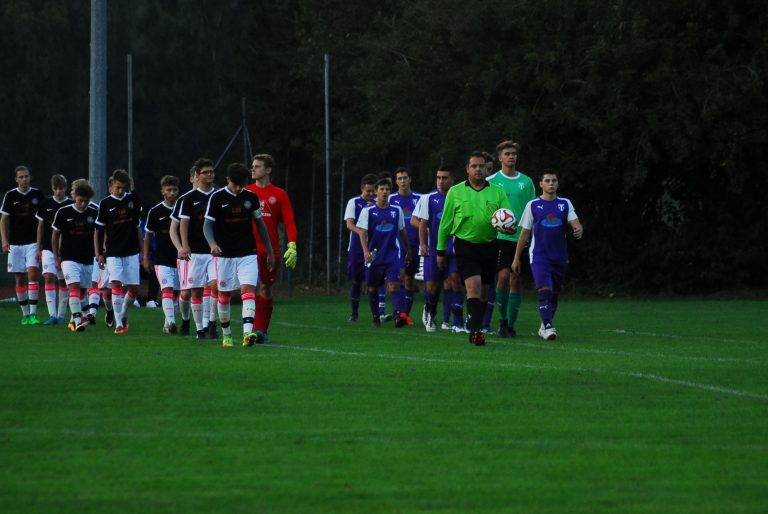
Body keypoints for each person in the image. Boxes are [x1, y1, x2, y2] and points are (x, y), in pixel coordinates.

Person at [437, 151, 514, 346]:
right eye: (474, 166)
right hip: (465, 245)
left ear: (486, 169)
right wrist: (440, 250)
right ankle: (477, 331)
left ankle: (474, 323)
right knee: (473, 287)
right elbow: (445, 223)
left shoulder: (497, 192)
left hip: (490, 245)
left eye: (481, 166)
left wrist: (510, 226)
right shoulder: (455, 191)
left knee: (484, 292)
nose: (478, 169)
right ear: (467, 169)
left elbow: (508, 217)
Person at [203, 162, 274, 347]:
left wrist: (269, 251)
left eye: (241, 184)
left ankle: (247, 334)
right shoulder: (217, 198)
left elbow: (260, 224)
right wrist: (212, 244)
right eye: (235, 184)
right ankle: (226, 335)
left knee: (248, 290)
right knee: (224, 295)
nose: (238, 188)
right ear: (227, 179)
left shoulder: (251, 197)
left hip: (247, 253)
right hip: (224, 255)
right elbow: (207, 225)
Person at [512, 169, 583, 340]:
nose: (551, 183)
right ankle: (549, 326)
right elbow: (525, 233)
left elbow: (575, 222)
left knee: (554, 294)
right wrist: (516, 258)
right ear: (541, 184)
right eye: (547, 181)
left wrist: (578, 228)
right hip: (539, 256)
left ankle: (544, 325)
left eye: (554, 180)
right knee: (544, 289)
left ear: (557, 184)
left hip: (560, 256)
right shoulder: (532, 205)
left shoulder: (565, 203)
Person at [245, 154, 298, 344]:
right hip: (247, 250)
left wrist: (292, 244)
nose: (253, 169)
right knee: (249, 288)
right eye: (252, 166)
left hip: (270, 251)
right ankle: (246, 328)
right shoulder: (246, 192)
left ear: (268, 170)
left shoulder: (279, 194)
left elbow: (289, 221)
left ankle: (261, 330)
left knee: (265, 288)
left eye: (257, 166)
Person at [488, 140, 536, 337]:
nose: (511, 157)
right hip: (499, 236)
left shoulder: (527, 182)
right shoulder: (491, 181)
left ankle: (511, 325)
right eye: (507, 154)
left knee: (515, 279)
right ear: (500, 158)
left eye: (514, 154)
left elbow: (532, 210)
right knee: (503, 276)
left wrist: (531, 235)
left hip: (520, 237)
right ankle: (502, 321)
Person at [412, 165, 462, 333]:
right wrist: (423, 244)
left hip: (454, 248)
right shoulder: (428, 198)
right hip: (434, 249)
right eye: (439, 177)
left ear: (452, 179)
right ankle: (430, 310)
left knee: (455, 280)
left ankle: (457, 322)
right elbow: (422, 224)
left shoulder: (460, 197)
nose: (441, 181)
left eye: (444, 178)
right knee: (434, 286)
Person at [356, 178, 412, 328]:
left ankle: (398, 316)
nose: (385, 192)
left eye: (387, 189)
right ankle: (376, 317)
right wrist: (366, 251)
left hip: (392, 254)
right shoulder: (368, 211)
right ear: (376, 192)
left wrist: (408, 251)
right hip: (374, 256)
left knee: (394, 284)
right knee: (373, 288)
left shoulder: (396, 210)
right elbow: (362, 233)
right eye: (382, 189)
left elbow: (402, 232)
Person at [95, 169, 144, 334]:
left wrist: (142, 251)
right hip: (113, 252)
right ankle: (119, 324)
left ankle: (122, 314)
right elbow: (99, 230)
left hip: (131, 251)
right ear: (110, 187)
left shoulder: (132, 200)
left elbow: (137, 225)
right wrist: (99, 253)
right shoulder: (105, 204)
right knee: (115, 284)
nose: (121, 190)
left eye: (124, 187)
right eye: (118, 187)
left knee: (134, 289)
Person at [178, 159, 219, 340]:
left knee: (215, 285)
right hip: (195, 251)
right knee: (196, 290)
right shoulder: (189, 198)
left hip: (214, 251)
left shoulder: (218, 195)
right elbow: (183, 224)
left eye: (212, 172)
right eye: (206, 172)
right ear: (197, 175)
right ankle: (199, 328)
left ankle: (212, 322)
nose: (209, 175)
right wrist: (184, 245)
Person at [1, 165, 46, 325]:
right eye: (21, 177)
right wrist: (4, 241)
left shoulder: (38, 195)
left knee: (33, 274)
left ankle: (33, 314)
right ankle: (25, 315)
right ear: (16, 179)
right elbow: (3, 220)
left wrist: (42, 243)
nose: (24, 179)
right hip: (15, 244)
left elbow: (44, 220)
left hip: (33, 242)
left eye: (26, 176)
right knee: (19, 278)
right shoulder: (10, 195)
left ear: (30, 177)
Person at [51, 183, 99, 331]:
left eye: (86, 201)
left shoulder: (94, 213)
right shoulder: (63, 212)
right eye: (80, 200)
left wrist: (100, 253)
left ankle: (74, 320)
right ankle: (78, 321)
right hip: (68, 257)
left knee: (83, 291)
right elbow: (55, 235)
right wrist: (56, 257)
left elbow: (99, 234)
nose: (83, 204)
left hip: (87, 258)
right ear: (74, 197)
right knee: (74, 287)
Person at [71, 178, 113, 328]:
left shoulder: (96, 210)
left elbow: (103, 229)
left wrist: (102, 249)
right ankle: (83, 314)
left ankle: (93, 313)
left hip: (93, 253)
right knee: (81, 287)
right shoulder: (68, 210)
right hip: (75, 254)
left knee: (95, 284)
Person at [143, 175, 181, 334]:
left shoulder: (182, 208)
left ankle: (167, 324)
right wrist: (146, 257)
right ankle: (172, 322)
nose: (172, 193)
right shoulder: (155, 211)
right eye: (168, 190)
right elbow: (148, 236)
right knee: (167, 289)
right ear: (162, 191)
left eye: (174, 189)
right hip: (161, 259)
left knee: (177, 292)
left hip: (181, 259)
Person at [35, 174, 73, 325]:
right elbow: (40, 226)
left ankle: (61, 315)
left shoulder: (70, 204)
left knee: (63, 281)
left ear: (65, 188)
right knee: (49, 277)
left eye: (61, 188)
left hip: (65, 250)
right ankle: (52, 315)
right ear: (52, 188)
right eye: (56, 188)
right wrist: (38, 247)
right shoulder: (46, 203)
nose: (58, 191)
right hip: (48, 248)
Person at [388, 167, 421, 321]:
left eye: (405, 178)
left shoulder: (420, 199)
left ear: (410, 179)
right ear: (396, 181)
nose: (402, 181)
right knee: (398, 277)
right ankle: (398, 312)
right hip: (396, 246)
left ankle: (405, 315)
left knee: (409, 279)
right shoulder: (390, 199)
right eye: (399, 178)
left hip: (414, 245)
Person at [343, 173, 377, 321]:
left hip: (374, 248)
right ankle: (354, 313)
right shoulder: (354, 202)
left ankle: (377, 314)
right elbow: (349, 224)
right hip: (356, 248)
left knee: (374, 282)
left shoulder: (378, 203)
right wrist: (362, 232)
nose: (371, 193)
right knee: (356, 281)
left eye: (373, 191)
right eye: (368, 190)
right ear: (362, 189)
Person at [169, 165, 198, 335]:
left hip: (209, 253)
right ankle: (186, 320)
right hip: (189, 254)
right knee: (186, 292)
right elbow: (173, 229)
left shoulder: (214, 197)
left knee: (209, 289)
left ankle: (207, 325)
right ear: (192, 177)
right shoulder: (184, 200)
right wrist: (180, 248)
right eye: (199, 175)